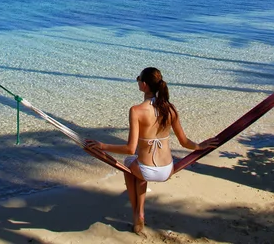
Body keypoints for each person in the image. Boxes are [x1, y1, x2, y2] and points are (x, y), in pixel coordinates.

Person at [85, 67, 219, 234]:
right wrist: (201, 146)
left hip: (145, 170)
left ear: (145, 85)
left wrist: (102, 146)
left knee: (129, 166)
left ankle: (137, 213)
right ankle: (139, 214)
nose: (138, 81)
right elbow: (184, 143)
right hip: (167, 170)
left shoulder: (136, 110)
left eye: (139, 79)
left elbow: (129, 149)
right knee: (138, 171)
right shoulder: (170, 109)